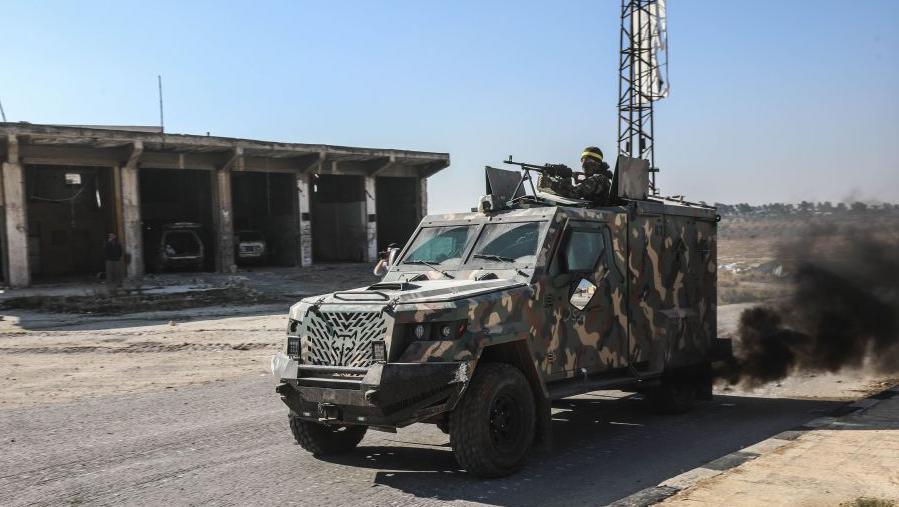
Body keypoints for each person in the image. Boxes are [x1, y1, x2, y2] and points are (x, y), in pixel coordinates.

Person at [537, 146, 613, 206]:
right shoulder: (594, 178)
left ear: (598, 164)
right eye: (583, 160)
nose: (584, 164)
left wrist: (550, 183)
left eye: (589, 161)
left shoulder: (599, 178)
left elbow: (573, 194)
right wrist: (565, 177)